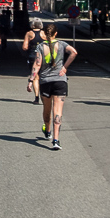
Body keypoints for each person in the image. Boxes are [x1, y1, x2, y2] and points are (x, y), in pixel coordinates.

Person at [30, 23, 77, 151]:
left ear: (44, 34)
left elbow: (37, 64)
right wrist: (65, 67)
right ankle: (56, 140)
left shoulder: (40, 47)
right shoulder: (62, 44)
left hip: (45, 82)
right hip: (60, 81)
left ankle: (48, 131)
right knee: (58, 112)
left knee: (47, 109)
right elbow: (74, 52)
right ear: (56, 34)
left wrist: (31, 79)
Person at [21, 18, 45, 105]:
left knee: (35, 77)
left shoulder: (29, 33)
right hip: (44, 57)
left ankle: (36, 97)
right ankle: (45, 95)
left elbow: (24, 47)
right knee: (44, 76)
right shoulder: (44, 33)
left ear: (33, 25)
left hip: (33, 56)